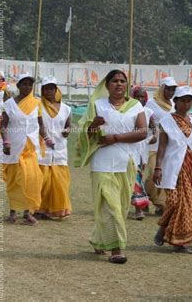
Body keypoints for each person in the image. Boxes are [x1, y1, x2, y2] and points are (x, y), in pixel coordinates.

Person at [75, 69, 147, 264]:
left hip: (126, 164)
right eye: (114, 81)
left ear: (127, 85)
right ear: (106, 85)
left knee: (121, 208)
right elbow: (85, 133)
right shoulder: (97, 105)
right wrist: (92, 126)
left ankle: (99, 240)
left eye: (122, 81)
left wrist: (116, 137)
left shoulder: (135, 106)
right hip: (102, 163)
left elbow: (142, 132)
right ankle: (117, 250)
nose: (118, 84)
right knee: (110, 206)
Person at [0, 73, 53, 226]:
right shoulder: (8, 104)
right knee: (16, 181)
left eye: (30, 84)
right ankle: (13, 213)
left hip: (31, 149)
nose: (27, 87)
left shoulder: (37, 103)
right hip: (14, 148)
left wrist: (47, 138)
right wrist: (6, 141)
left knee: (32, 179)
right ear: (18, 86)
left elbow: (40, 125)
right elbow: (3, 125)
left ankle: (28, 212)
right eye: (24, 84)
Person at [153, 86, 192, 254]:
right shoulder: (167, 121)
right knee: (173, 202)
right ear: (176, 102)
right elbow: (162, 147)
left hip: (190, 168)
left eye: (189, 101)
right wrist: (158, 167)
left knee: (187, 204)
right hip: (173, 167)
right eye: (182, 100)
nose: (186, 104)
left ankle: (180, 243)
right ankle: (163, 227)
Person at [36, 76, 72, 219]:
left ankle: (55, 210)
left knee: (59, 183)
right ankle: (39, 209)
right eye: (46, 89)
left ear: (56, 90)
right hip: (42, 148)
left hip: (60, 149)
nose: (49, 91)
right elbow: (39, 125)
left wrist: (67, 131)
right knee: (42, 182)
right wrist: (46, 138)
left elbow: (69, 125)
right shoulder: (38, 106)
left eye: (51, 88)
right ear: (42, 90)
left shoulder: (66, 108)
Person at [144, 76, 178, 215]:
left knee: (164, 175)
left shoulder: (174, 105)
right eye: (168, 89)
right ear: (162, 89)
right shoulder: (151, 103)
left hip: (168, 146)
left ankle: (159, 204)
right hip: (153, 144)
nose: (170, 92)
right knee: (153, 173)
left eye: (173, 90)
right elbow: (144, 120)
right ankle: (146, 197)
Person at [130, 86, 156, 220]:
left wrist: (154, 136)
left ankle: (139, 206)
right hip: (128, 149)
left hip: (141, 150)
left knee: (137, 178)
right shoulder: (128, 110)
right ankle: (139, 206)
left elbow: (154, 127)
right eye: (137, 96)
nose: (140, 99)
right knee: (132, 179)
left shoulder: (148, 111)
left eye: (142, 97)